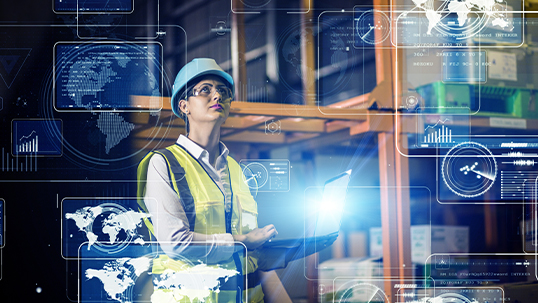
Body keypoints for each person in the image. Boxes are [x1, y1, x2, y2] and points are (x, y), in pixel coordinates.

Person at [137, 58, 292, 303]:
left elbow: (254, 254)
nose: (217, 95)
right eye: (205, 90)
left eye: (223, 91)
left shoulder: (236, 170)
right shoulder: (163, 164)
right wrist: (242, 242)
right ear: (184, 106)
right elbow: (177, 243)